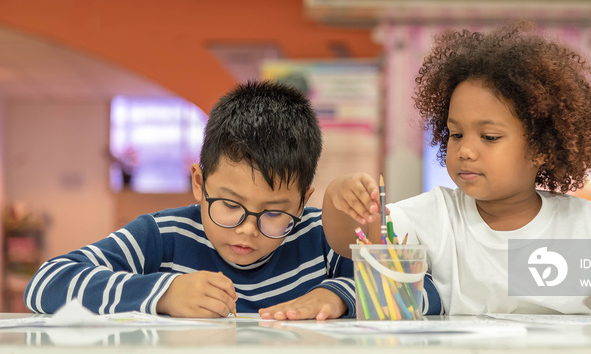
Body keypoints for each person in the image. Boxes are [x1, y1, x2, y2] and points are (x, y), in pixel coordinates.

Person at [323, 23, 591, 322]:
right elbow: (352, 241)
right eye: (455, 134)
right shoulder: (437, 214)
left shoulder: (587, 223)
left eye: (489, 136)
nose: (465, 149)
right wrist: (342, 198)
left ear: (541, 147)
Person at [26, 81, 354, 320]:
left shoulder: (319, 236)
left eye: (273, 212)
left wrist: (335, 295)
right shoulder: (163, 235)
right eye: (230, 205)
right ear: (199, 183)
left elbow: (388, 288)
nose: (248, 230)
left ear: (301, 202)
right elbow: (47, 282)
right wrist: (164, 294)